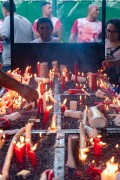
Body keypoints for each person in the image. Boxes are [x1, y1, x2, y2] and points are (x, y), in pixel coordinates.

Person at [0, 1, 35, 72]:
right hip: (26, 61)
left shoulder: (8, 19)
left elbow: (3, 37)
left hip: (11, 62)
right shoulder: (27, 21)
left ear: (4, 9)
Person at [102, 19, 120, 84]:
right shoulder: (102, 43)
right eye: (108, 31)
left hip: (117, 81)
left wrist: (113, 62)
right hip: (103, 80)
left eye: (113, 31)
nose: (110, 34)